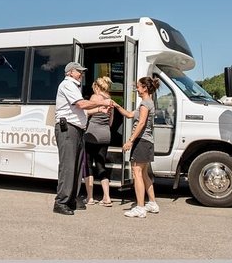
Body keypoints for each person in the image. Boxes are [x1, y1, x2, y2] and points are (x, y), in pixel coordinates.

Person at [53, 62, 113, 215]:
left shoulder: (74, 86)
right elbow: (81, 105)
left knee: (77, 167)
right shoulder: (67, 85)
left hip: (77, 129)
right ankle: (61, 202)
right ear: (71, 72)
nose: (82, 74)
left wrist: (99, 109)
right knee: (68, 166)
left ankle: (71, 199)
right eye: (79, 71)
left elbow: (82, 110)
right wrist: (102, 101)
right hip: (68, 129)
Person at [112, 76, 161, 218]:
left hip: (142, 141)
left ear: (144, 88)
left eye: (138, 86)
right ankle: (152, 203)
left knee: (137, 173)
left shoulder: (145, 104)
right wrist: (116, 105)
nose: (137, 88)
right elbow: (129, 115)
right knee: (144, 174)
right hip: (147, 141)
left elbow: (141, 123)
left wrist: (130, 141)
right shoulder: (146, 103)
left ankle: (140, 207)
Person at [83, 76, 114, 207]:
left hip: (92, 134)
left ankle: (90, 197)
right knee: (101, 165)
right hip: (105, 134)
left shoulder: (94, 98)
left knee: (89, 165)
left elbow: (86, 112)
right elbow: (111, 122)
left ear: (97, 87)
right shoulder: (110, 101)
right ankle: (106, 197)